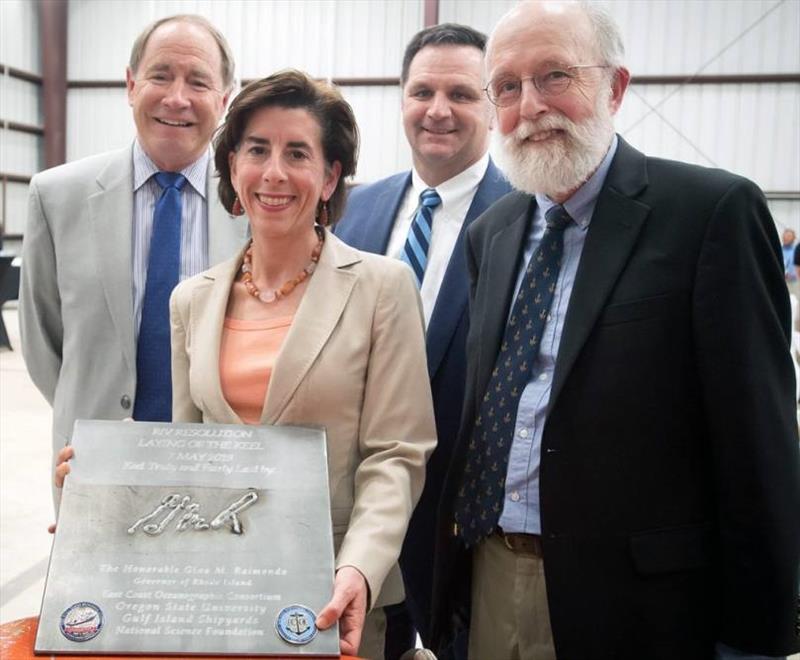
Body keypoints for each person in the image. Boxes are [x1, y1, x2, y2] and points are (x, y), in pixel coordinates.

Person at [431, 2, 800, 659]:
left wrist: (757, 638)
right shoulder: (493, 234)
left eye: (554, 77)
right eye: (508, 88)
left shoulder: (709, 213)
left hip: (639, 605)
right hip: (489, 573)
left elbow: (759, 446)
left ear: (615, 87)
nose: (531, 105)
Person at [168, 70, 436, 659]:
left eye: (298, 153)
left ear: (330, 175)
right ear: (233, 166)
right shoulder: (191, 300)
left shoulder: (382, 288)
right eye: (257, 150)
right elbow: (186, 455)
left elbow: (397, 454)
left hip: (334, 595)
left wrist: (360, 568)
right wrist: (104, 489)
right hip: (221, 590)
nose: (274, 173)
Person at [335, 23, 511, 657]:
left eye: (462, 93)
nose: (438, 110)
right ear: (401, 99)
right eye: (422, 91)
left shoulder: (525, 216)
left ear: (493, 105)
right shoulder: (353, 210)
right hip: (355, 507)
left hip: (459, 520)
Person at [19, 15, 247, 489]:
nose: (176, 98)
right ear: (130, 84)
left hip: (219, 474)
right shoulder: (57, 197)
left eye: (198, 82)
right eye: (160, 75)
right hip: (92, 466)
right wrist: (89, 409)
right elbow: (44, 342)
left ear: (224, 100)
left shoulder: (254, 206)